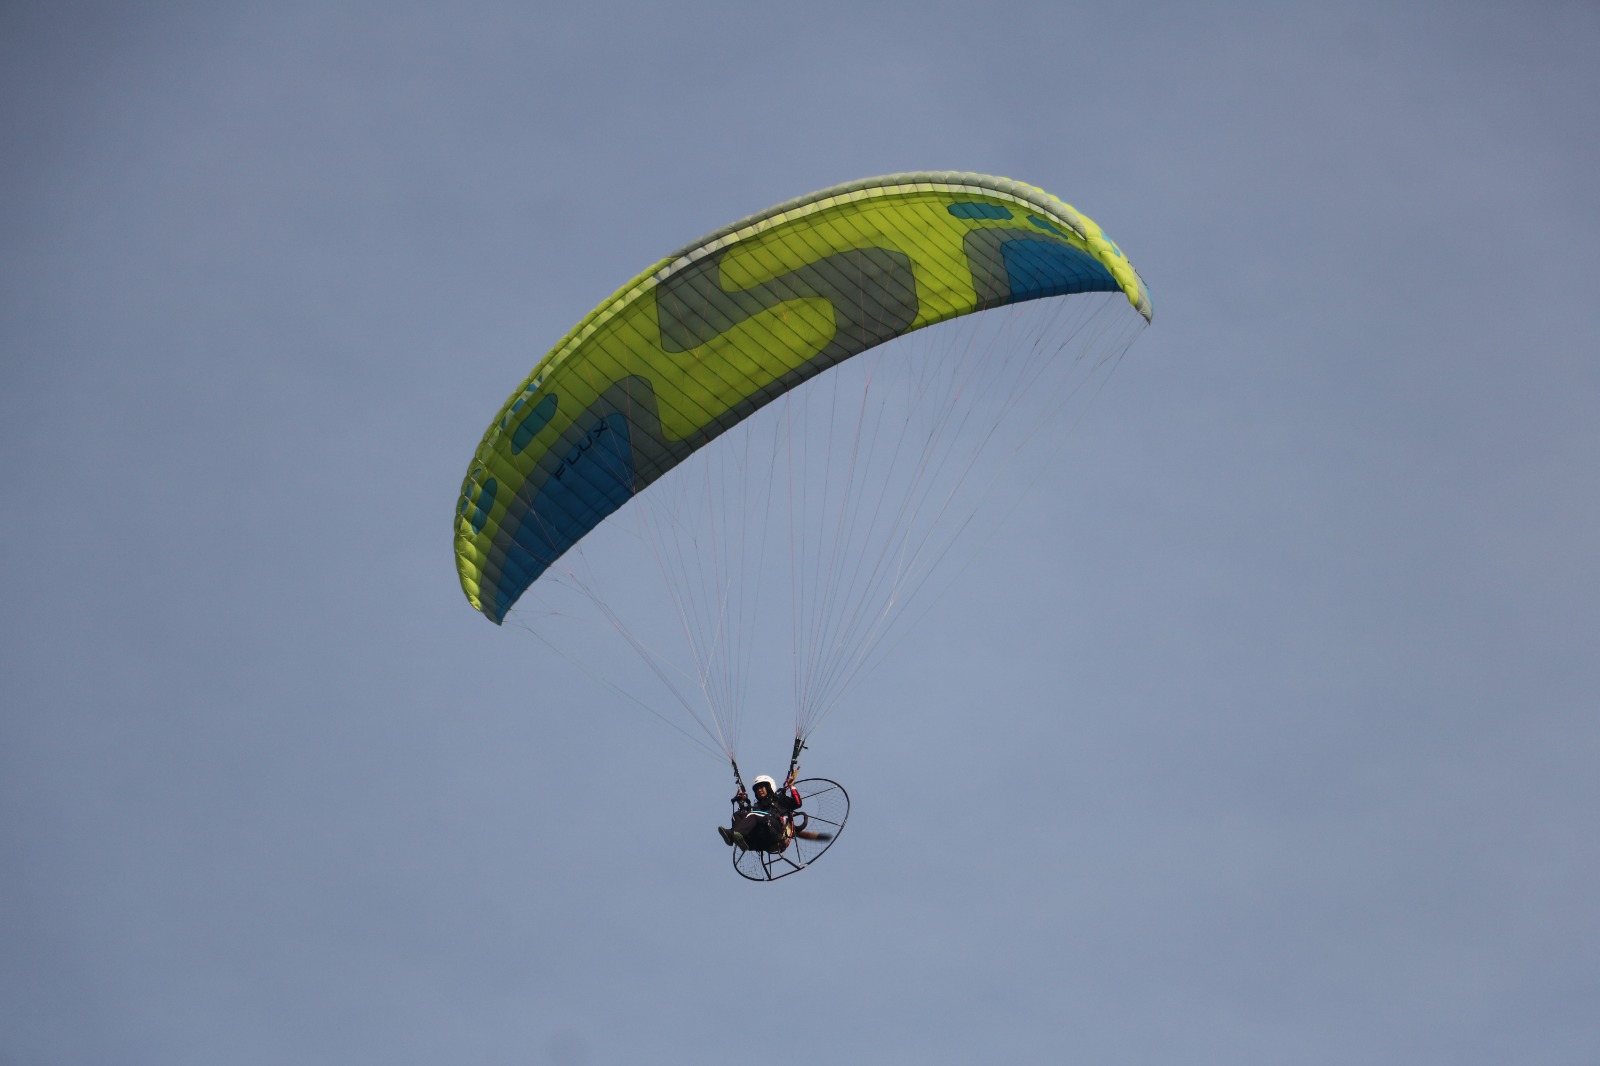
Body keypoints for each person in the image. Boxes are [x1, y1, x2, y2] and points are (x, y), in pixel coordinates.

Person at [718, 774, 825, 852]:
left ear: (769, 787)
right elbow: (746, 818)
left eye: (762, 787)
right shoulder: (757, 807)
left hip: (775, 831)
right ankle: (737, 838)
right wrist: (741, 802)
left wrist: (792, 786)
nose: (759, 790)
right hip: (760, 840)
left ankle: (734, 834)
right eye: (757, 789)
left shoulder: (779, 799)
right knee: (737, 815)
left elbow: (797, 803)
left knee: (753, 815)